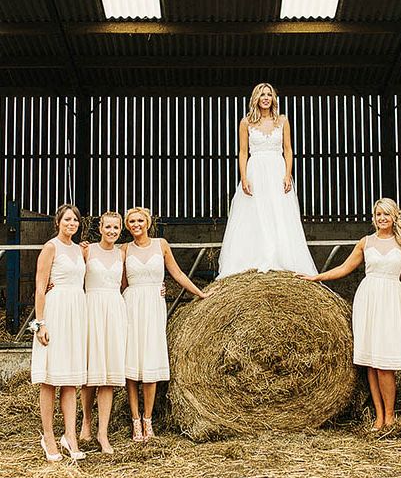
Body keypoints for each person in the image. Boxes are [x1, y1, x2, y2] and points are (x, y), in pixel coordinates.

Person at [300, 198, 401, 430]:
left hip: (391, 299)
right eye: (378, 214)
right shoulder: (366, 242)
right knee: (370, 361)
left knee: (385, 362)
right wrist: (316, 278)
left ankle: (391, 416)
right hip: (368, 298)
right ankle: (379, 416)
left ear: (394, 217)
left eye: (386, 214)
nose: (382, 218)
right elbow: (344, 268)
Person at [123, 207, 208, 442]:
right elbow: (115, 280)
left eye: (140, 220)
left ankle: (148, 420)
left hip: (153, 306)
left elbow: (177, 274)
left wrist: (201, 293)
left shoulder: (161, 245)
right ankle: (135, 420)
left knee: (150, 362)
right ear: (127, 224)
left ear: (147, 222)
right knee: (131, 365)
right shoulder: (124, 249)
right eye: (131, 221)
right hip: (131, 305)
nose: (136, 224)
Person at [217, 82, 317, 278]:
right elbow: (243, 152)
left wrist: (288, 175)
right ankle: (254, 256)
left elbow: (288, 150)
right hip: (256, 171)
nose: (265, 98)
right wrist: (244, 177)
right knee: (255, 213)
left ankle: (281, 257)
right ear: (256, 98)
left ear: (273, 99)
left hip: (277, 170)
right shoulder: (246, 122)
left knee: (279, 212)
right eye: (262, 95)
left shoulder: (282, 121)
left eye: (269, 95)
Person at [30, 204, 87, 461]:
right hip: (55, 313)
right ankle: (48, 437)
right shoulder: (50, 247)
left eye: (75, 220)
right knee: (50, 379)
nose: (71, 223)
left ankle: (70, 436)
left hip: (76, 313)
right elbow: (40, 288)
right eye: (67, 219)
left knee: (70, 379)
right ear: (58, 222)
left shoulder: (80, 250)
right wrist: (39, 323)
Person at [79, 211, 127, 455]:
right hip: (91, 309)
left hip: (115, 310)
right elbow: (71, 274)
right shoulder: (87, 251)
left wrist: (158, 288)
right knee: (90, 373)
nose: (112, 231)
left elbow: (129, 283)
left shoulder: (122, 253)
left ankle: (103, 433)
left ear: (120, 230)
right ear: (100, 228)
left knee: (109, 375)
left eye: (116, 228)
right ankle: (86, 422)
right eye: (108, 226)